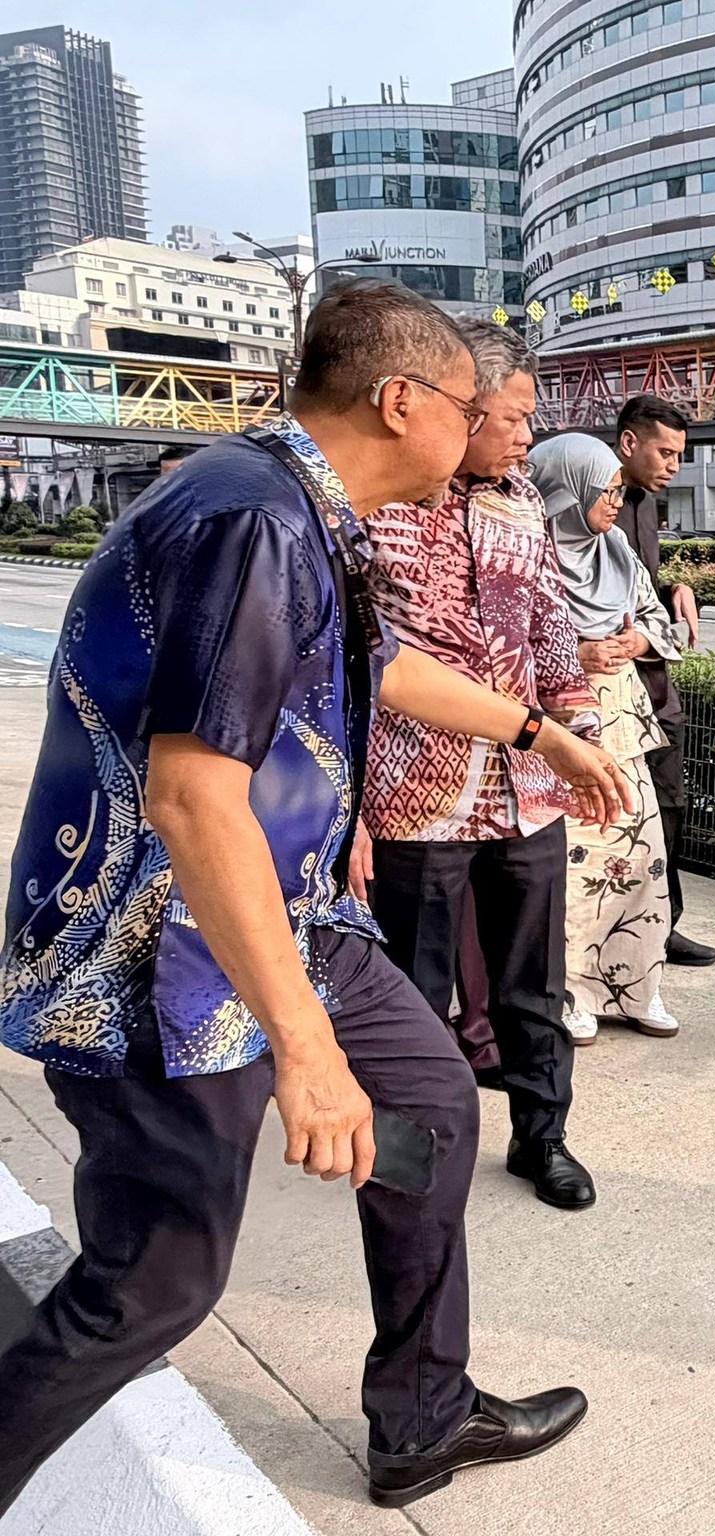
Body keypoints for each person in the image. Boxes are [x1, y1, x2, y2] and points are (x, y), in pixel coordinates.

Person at [0, 279, 633, 1513]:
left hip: (287, 919)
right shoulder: (256, 520)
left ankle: (420, 1417)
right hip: (154, 965)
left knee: (432, 1105)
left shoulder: (292, 504)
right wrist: (303, 1049)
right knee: (157, 1281)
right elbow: (193, 801)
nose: (482, 437)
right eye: (472, 409)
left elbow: (372, 660)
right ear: (402, 401)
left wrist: (533, 730)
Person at [351, 320, 603, 1212]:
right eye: (516, 416)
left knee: (533, 984)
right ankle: (407, 1158)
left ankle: (543, 1140)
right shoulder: (376, 509)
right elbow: (363, 664)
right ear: (461, 410)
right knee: (411, 993)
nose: (528, 435)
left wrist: (579, 732)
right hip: (415, 796)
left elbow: (549, 628)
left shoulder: (523, 503)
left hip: (528, 793)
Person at [531, 433, 685, 1042]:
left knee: (642, 855)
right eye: (607, 490)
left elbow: (662, 627)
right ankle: (572, 991)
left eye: (621, 491)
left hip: (623, 723)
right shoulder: (531, 555)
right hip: (559, 732)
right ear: (568, 490)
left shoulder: (617, 549)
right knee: (575, 865)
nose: (617, 502)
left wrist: (635, 643)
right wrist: (577, 650)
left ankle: (636, 984)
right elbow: (511, 641)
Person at [609, 394, 715, 969]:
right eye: (666, 451)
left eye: (681, 454)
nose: (675, 464)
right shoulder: (587, 499)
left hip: (656, 683)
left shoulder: (647, 502)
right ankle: (616, 934)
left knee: (669, 804)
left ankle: (664, 923)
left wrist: (673, 586)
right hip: (607, 686)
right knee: (618, 814)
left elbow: (639, 581)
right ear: (629, 443)